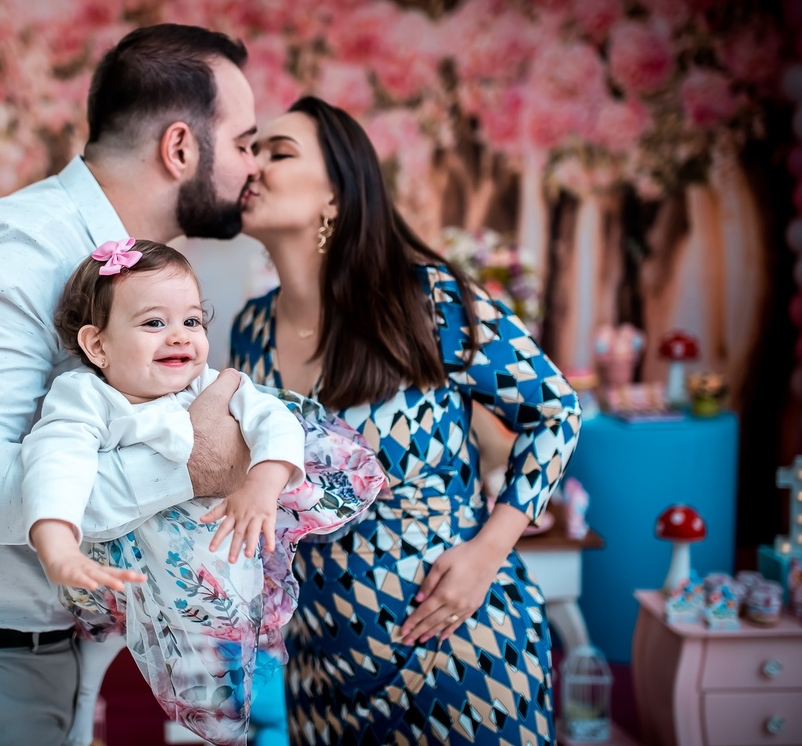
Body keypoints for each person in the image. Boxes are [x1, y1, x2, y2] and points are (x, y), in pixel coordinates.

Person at [0, 23, 264, 746]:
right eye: (245, 143)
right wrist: (185, 466)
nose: (253, 165)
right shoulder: (14, 254)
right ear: (181, 148)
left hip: (21, 656)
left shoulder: (136, 278)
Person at [230, 96, 583, 745]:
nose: (252, 164)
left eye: (278, 152)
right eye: (249, 150)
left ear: (336, 194)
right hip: (321, 670)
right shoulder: (248, 330)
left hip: (462, 651)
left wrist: (488, 553)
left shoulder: (427, 301)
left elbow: (555, 412)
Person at [23, 237, 313, 746]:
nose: (179, 335)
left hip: (211, 569)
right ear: (98, 346)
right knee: (99, 673)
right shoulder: (87, 396)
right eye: (154, 322)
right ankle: (81, 720)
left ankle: (248, 724)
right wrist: (58, 547)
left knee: (236, 675)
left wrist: (262, 485)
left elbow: (279, 423)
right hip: (123, 581)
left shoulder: (212, 386)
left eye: (193, 321)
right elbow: (55, 465)